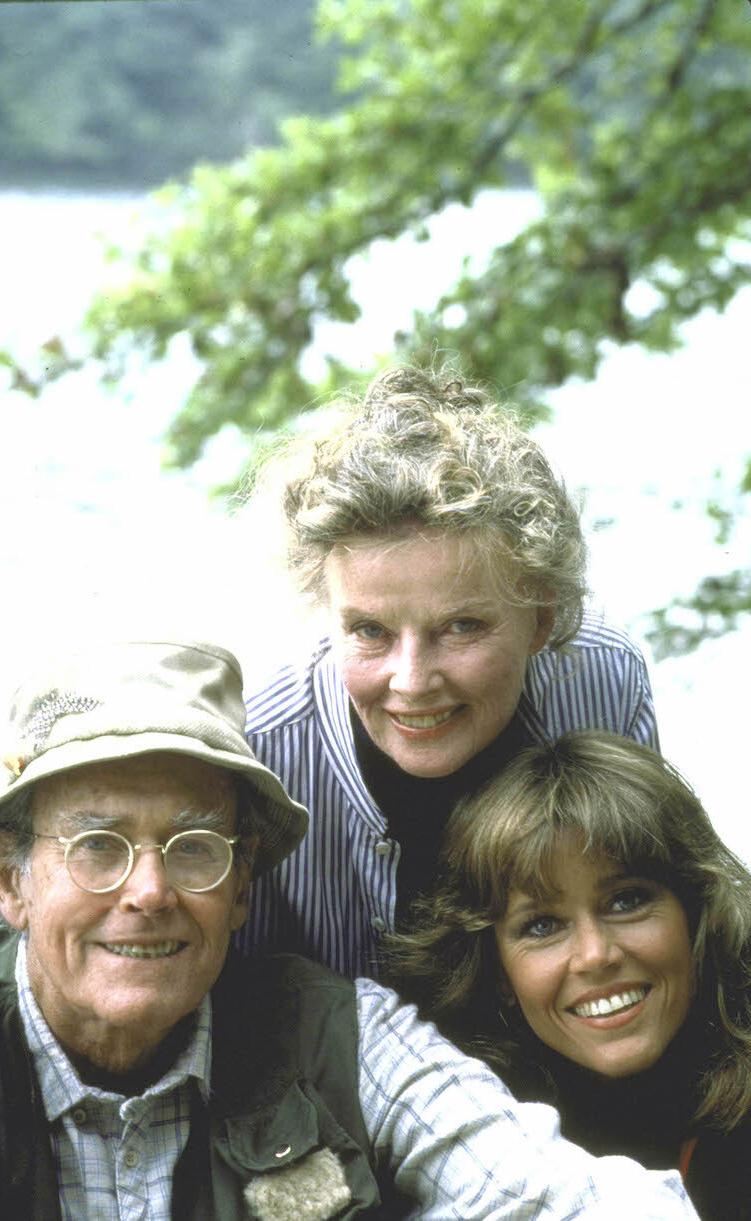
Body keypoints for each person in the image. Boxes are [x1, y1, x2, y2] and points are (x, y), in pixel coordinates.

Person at [0, 640, 697, 1218]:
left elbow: (569, 1197)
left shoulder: (340, 1033)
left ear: (242, 887)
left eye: (196, 848)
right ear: (12, 878)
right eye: (98, 846)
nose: (150, 891)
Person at [239, 364, 659, 977]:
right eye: (369, 631)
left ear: (541, 618)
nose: (412, 681)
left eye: (461, 627)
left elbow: (655, 901)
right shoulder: (264, 748)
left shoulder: (602, 681)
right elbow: (250, 1007)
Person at [386, 730, 751, 1221]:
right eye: (542, 926)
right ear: (497, 975)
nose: (594, 956)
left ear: (697, 912)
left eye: (627, 900)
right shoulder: (483, 1150)